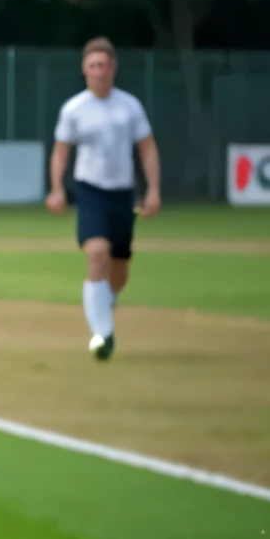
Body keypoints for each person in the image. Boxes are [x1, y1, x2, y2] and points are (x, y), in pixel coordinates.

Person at [46, 37, 161, 360]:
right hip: (90, 191)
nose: (99, 71)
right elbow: (60, 153)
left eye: (104, 65)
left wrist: (153, 189)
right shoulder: (74, 109)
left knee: (120, 266)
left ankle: (103, 306)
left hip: (123, 194)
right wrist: (56, 188)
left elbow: (147, 148)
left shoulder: (129, 106)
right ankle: (103, 334)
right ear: (85, 68)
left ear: (113, 68)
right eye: (93, 65)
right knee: (98, 254)